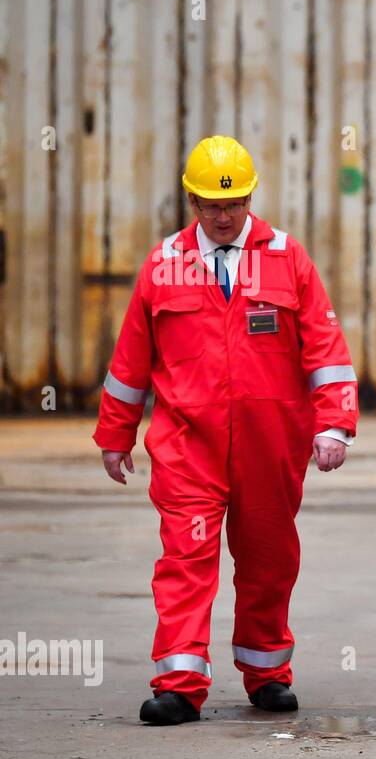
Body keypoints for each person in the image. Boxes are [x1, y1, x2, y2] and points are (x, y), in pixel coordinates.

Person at [94, 135, 359, 725]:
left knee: (267, 559)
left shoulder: (287, 258)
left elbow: (326, 349)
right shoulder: (164, 265)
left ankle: (267, 673)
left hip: (271, 447)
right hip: (189, 446)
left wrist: (335, 424)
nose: (222, 216)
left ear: (249, 198)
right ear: (191, 201)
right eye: (211, 205)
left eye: (233, 203)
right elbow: (131, 360)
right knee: (185, 557)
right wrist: (115, 435)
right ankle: (179, 683)